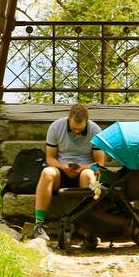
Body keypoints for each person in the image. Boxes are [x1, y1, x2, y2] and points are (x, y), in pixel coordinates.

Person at [32, 103, 105, 241]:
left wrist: (82, 168)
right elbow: (50, 158)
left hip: (84, 172)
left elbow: (99, 164)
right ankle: (39, 224)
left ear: (87, 122)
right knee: (47, 173)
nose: (77, 132)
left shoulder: (96, 131)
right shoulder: (55, 127)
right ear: (68, 119)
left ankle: (90, 228)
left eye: (80, 129)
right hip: (61, 170)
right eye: (73, 129)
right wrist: (62, 166)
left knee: (90, 176)